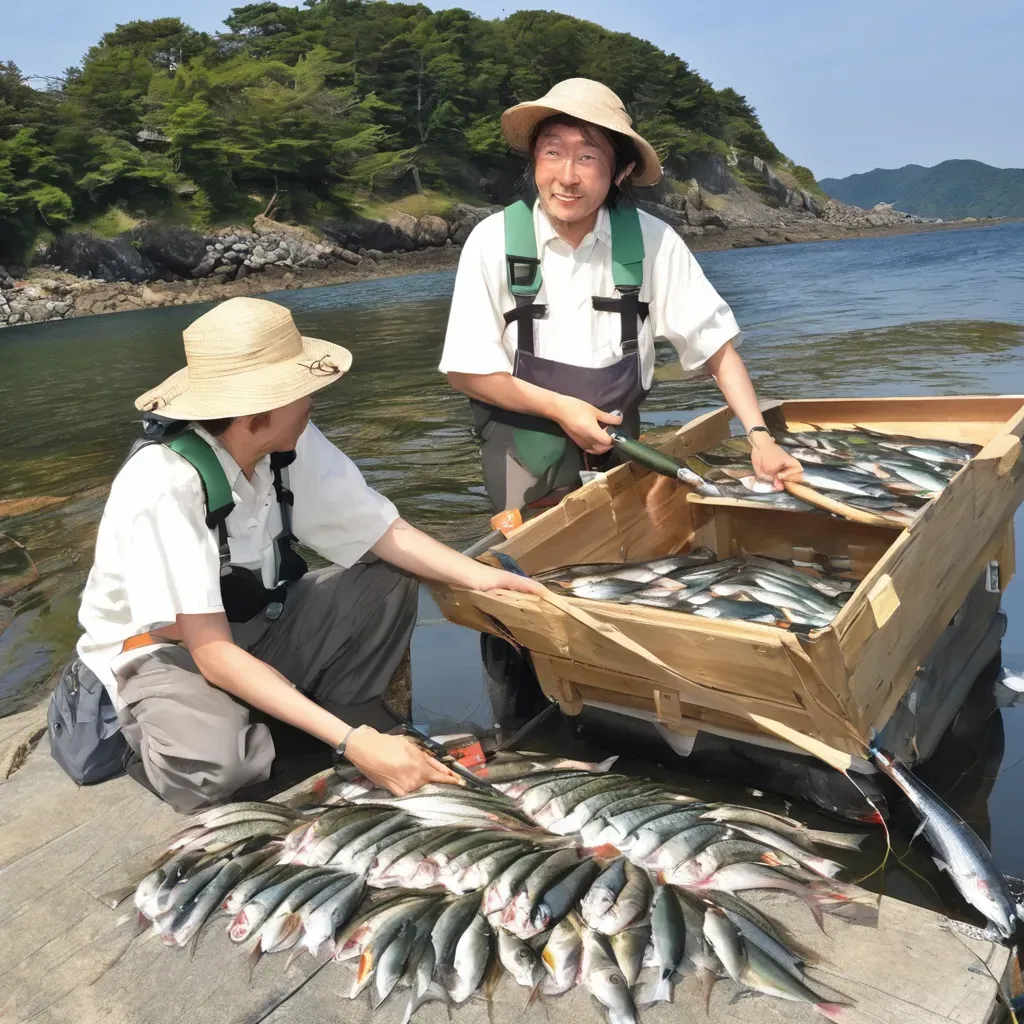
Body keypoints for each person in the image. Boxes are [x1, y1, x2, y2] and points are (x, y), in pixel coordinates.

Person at [67, 296, 543, 813]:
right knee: (221, 772)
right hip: (167, 649)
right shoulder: (164, 483)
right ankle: (169, 731)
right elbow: (211, 652)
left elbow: (383, 531)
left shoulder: (289, 439)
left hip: (257, 620)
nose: (313, 398)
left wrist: (482, 577)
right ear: (256, 413)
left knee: (390, 576)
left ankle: (340, 710)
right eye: (300, 390)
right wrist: (350, 743)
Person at [439, 77, 801, 513]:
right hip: (521, 446)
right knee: (536, 557)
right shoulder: (492, 240)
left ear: (621, 172)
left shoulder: (653, 241)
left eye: (588, 157)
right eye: (553, 151)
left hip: (619, 440)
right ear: (535, 157)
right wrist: (561, 409)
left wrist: (758, 437)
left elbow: (715, 345)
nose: (567, 177)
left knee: (628, 544)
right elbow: (465, 372)